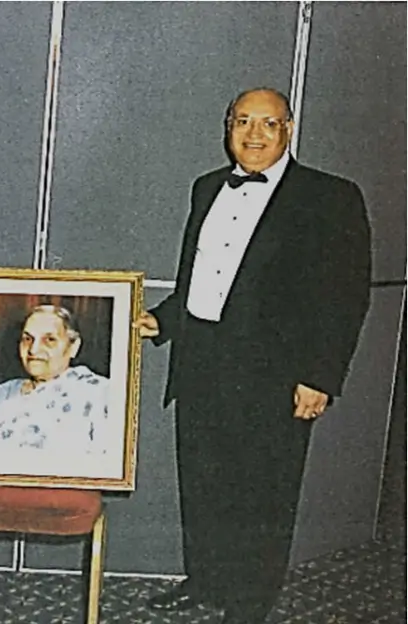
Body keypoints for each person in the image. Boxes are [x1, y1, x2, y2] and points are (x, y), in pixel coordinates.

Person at [135, 88, 371, 624]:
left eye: (268, 123)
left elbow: (345, 296)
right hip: (201, 363)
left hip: (276, 376)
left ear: (289, 129)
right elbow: (201, 280)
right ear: (228, 127)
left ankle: (249, 602)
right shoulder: (206, 188)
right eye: (243, 121)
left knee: (264, 495)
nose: (254, 134)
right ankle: (206, 580)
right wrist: (162, 320)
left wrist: (320, 376)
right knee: (203, 484)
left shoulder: (331, 196)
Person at [0, 305, 110, 471]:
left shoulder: (99, 392)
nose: (33, 349)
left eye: (49, 340)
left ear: (73, 346)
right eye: (27, 339)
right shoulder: (3, 393)